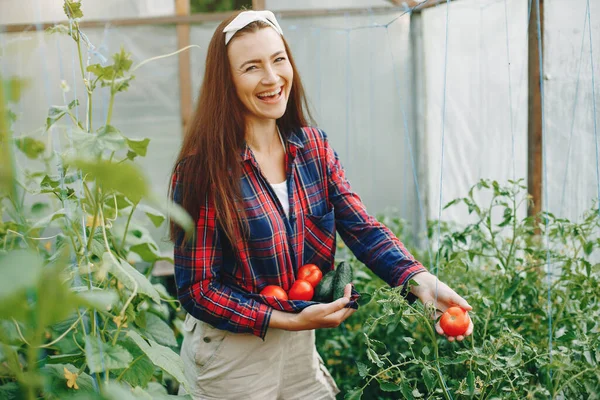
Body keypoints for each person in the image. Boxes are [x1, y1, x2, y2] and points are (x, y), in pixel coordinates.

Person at [170, 9, 473, 400]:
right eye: (251, 67)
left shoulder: (313, 148)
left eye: (279, 60)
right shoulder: (203, 170)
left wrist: (421, 282)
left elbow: (363, 230)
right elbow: (197, 289)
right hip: (231, 356)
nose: (272, 78)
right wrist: (284, 319)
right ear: (225, 81)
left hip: (298, 350)